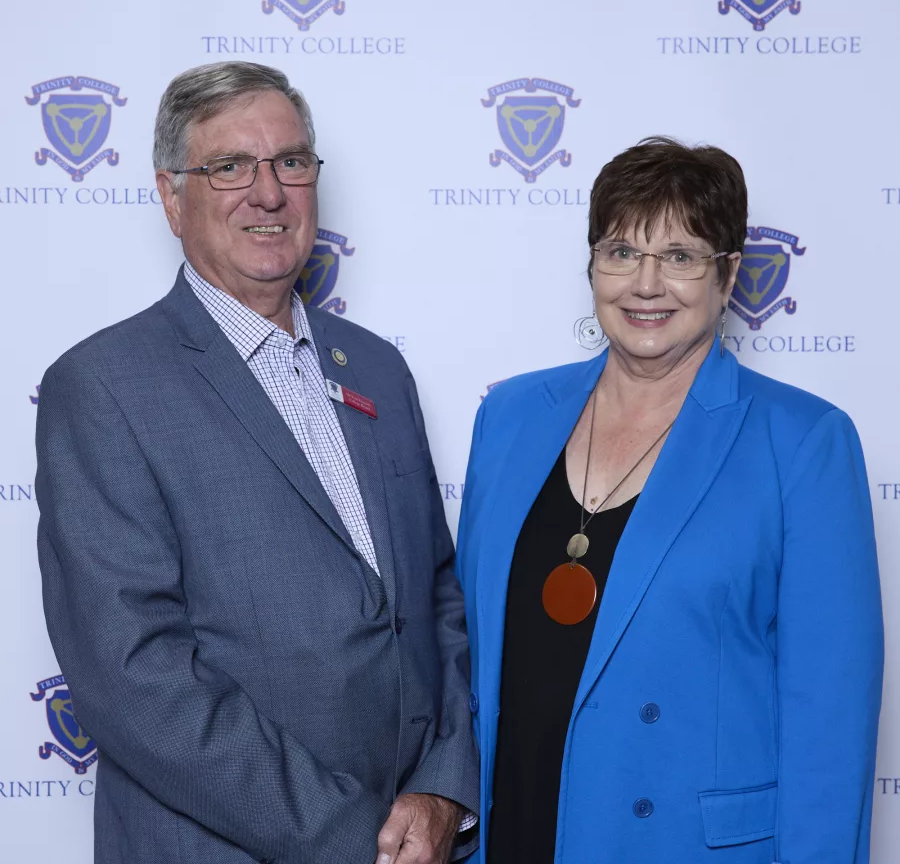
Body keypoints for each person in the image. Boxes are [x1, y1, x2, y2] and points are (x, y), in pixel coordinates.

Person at [35, 61, 478, 864]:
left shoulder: (376, 369)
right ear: (173, 198)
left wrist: (443, 786)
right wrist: (356, 838)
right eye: (229, 166)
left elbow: (436, 596)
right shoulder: (102, 387)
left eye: (291, 162)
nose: (267, 192)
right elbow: (135, 676)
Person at [455, 137, 883, 863]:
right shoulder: (512, 415)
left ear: (729, 277)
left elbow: (830, 722)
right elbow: (465, 649)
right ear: (592, 266)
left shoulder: (804, 442)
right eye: (621, 252)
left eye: (680, 257)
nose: (645, 284)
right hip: (513, 830)